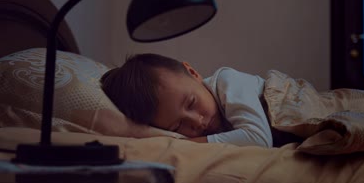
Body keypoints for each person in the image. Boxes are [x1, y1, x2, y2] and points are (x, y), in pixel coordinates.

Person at [100, 53, 274, 148]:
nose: (197, 122)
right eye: (177, 126)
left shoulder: (227, 81)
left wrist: (190, 143)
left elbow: (259, 139)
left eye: (191, 102)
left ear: (192, 72)